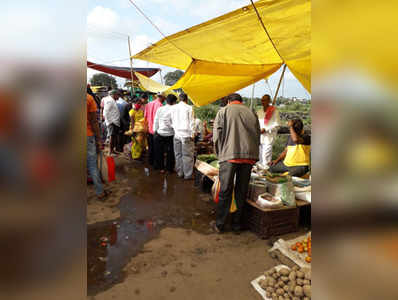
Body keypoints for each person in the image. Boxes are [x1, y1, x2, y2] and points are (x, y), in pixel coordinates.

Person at [213, 93, 261, 234]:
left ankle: (220, 224)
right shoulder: (251, 113)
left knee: (225, 191)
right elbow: (257, 135)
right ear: (241, 101)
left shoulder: (223, 111)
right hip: (248, 157)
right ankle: (236, 225)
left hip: (229, 156)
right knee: (241, 191)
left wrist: (219, 155)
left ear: (229, 101)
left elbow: (217, 136)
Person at [87, 93, 108, 200]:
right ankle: (99, 192)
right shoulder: (89, 98)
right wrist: (99, 139)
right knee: (92, 165)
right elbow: (94, 121)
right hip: (87, 136)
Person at [171, 93, 195, 180]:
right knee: (187, 155)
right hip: (186, 134)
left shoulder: (173, 108)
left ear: (179, 99)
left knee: (178, 154)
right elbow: (192, 122)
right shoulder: (189, 108)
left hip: (177, 134)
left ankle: (180, 173)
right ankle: (187, 175)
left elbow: (172, 120)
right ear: (186, 99)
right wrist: (192, 134)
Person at [153, 94, 177, 173]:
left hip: (160, 133)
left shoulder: (160, 109)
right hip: (170, 134)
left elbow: (156, 120)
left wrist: (155, 131)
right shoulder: (175, 109)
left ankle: (161, 168)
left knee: (159, 151)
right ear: (174, 102)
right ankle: (169, 169)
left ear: (166, 101)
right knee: (170, 152)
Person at [259, 94, 281, 168]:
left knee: (266, 157)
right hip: (259, 138)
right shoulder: (259, 111)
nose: (263, 102)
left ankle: (266, 173)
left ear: (269, 101)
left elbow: (277, 125)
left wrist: (266, 129)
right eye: (262, 100)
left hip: (269, 138)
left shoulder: (274, 111)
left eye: (264, 100)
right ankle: (260, 174)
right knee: (259, 157)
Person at [144, 92, 164, 165]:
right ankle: (156, 164)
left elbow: (145, 118)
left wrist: (146, 128)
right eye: (164, 98)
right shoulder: (160, 105)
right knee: (157, 148)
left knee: (150, 147)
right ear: (162, 97)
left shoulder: (148, 104)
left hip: (149, 129)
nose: (164, 100)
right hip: (157, 130)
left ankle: (150, 161)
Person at [102, 90, 121, 155]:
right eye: (118, 95)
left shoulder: (112, 100)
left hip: (114, 122)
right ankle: (110, 151)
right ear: (114, 95)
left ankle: (112, 150)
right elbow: (105, 112)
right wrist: (109, 122)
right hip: (112, 122)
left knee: (114, 136)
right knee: (112, 137)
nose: (119, 96)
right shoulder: (110, 101)